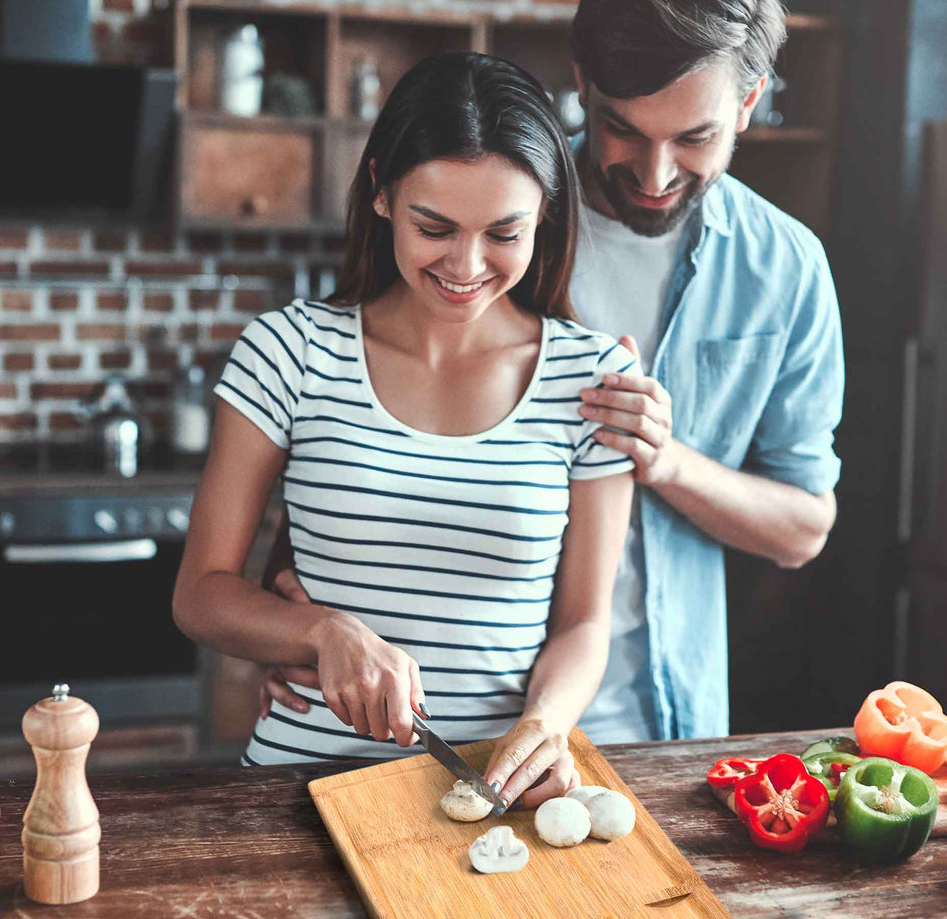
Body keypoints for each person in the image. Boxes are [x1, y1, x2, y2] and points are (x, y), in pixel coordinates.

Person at [259, 0, 845, 745]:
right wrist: (295, 618)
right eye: (624, 131)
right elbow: (352, 408)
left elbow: (804, 526)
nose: (654, 173)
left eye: (695, 139)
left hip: (659, 712)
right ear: (582, 84)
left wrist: (663, 458)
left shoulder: (786, 268)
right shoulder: (487, 210)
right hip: (440, 718)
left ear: (747, 105)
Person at [172, 51, 638, 809]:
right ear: (383, 193)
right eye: (436, 226)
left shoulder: (591, 381)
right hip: (302, 784)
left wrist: (547, 726)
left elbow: (585, 622)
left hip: (492, 792)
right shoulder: (288, 352)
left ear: (546, 213)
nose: (466, 264)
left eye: (503, 233)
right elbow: (200, 594)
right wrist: (321, 633)